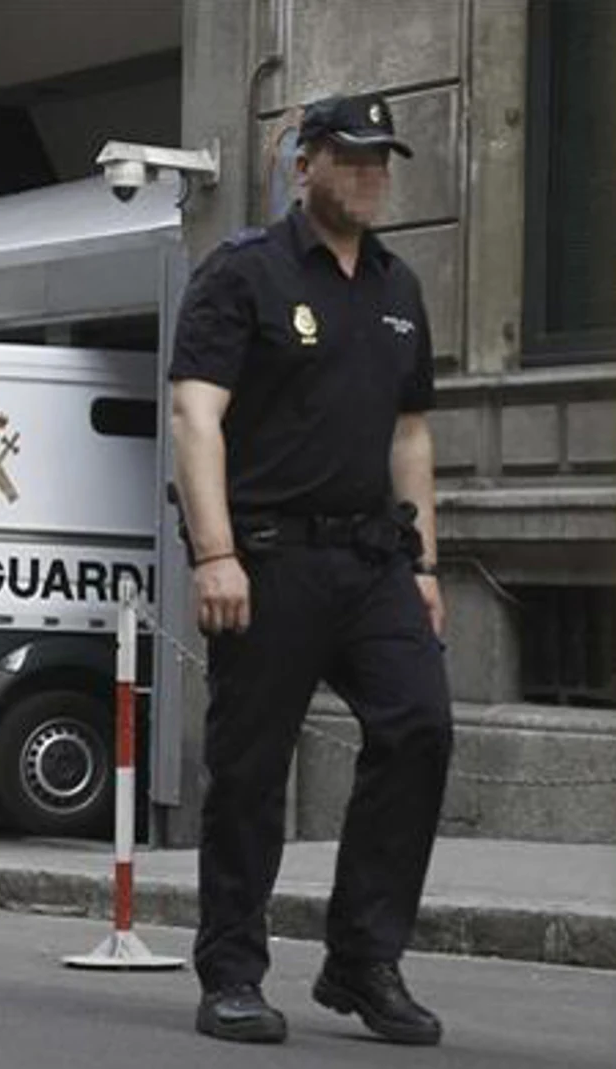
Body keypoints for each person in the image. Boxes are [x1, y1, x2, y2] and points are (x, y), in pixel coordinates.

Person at [169, 92, 451, 1047]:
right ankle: (234, 972)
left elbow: (411, 434)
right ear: (305, 165)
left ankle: (362, 958)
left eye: (384, 160)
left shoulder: (398, 288)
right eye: (354, 157)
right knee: (250, 769)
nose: (372, 175)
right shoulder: (242, 274)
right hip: (269, 557)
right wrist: (216, 553)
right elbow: (195, 417)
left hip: (373, 558)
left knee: (419, 725)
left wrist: (424, 565)